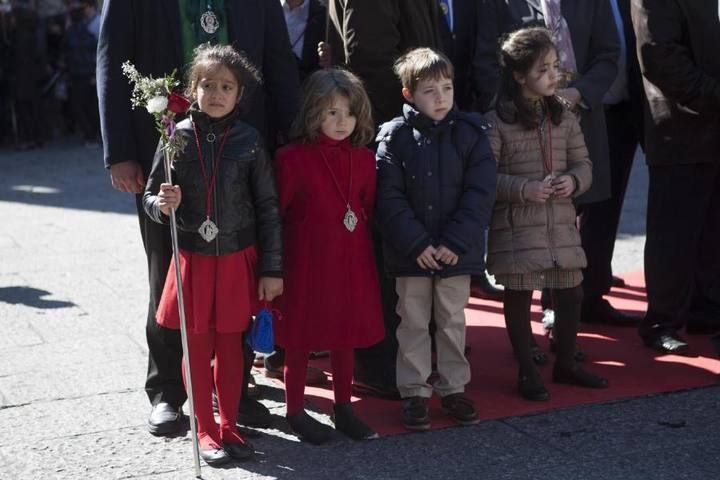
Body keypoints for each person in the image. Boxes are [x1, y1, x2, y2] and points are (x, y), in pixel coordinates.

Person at [97, 0, 299, 436]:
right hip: (168, 152)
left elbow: (278, 60)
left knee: (235, 274)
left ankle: (234, 390)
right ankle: (168, 390)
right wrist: (120, 154)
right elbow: (113, 62)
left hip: (242, 150)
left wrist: (292, 140)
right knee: (168, 277)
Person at [143, 44, 283, 466]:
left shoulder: (251, 142)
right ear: (192, 89)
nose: (216, 94)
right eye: (207, 86)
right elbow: (150, 195)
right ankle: (204, 427)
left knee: (231, 345)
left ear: (240, 95)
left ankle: (231, 425)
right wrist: (162, 203)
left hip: (236, 257)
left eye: (226, 87)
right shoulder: (175, 138)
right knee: (197, 347)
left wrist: (273, 267)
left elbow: (269, 208)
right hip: (194, 259)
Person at [326, 0, 444, 399]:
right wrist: (416, 116)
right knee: (387, 251)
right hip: (392, 130)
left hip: (398, 124)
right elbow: (370, 60)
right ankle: (384, 364)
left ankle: (402, 358)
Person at [376, 48, 496, 430]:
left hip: (453, 252)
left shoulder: (471, 133)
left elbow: (480, 194)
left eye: (447, 87)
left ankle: (454, 387)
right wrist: (416, 244)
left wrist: (454, 242)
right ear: (409, 94)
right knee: (411, 320)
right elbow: (388, 198)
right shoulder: (394, 137)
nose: (441, 98)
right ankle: (414, 392)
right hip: (412, 252)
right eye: (430, 90)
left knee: (451, 319)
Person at [485, 27, 608, 401]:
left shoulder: (565, 116)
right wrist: (524, 189)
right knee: (520, 294)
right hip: (517, 226)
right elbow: (485, 178)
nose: (555, 75)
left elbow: (584, 163)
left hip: (559, 223)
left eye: (556, 66)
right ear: (519, 75)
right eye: (544, 70)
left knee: (571, 291)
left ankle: (567, 362)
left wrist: (573, 181)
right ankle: (526, 370)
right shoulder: (496, 120)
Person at [274, 68, 384, 444]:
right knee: (300, 335)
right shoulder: (292, 159)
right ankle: (294, 410)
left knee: (345, 331)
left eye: (350, 113)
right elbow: (280, 213)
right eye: (332, 112)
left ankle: (343, 407)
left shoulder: (364, 159)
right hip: (306, 261)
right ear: (312, 112)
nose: (342, 122)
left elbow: (365, 207)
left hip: (350, 260)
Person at [632, 0, 720, 354]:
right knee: (674, 234)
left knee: (714, 230)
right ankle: (661, 322)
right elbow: (658, 56)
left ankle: (707, 310)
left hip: (714, 128)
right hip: (681, 129)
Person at [63, 1, 100, 146]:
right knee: (90, 105)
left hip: (79, 73)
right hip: (88, 72)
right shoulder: (86, 31)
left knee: (81, 106)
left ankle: (90, 135)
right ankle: (93, 134)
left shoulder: (73, 33)